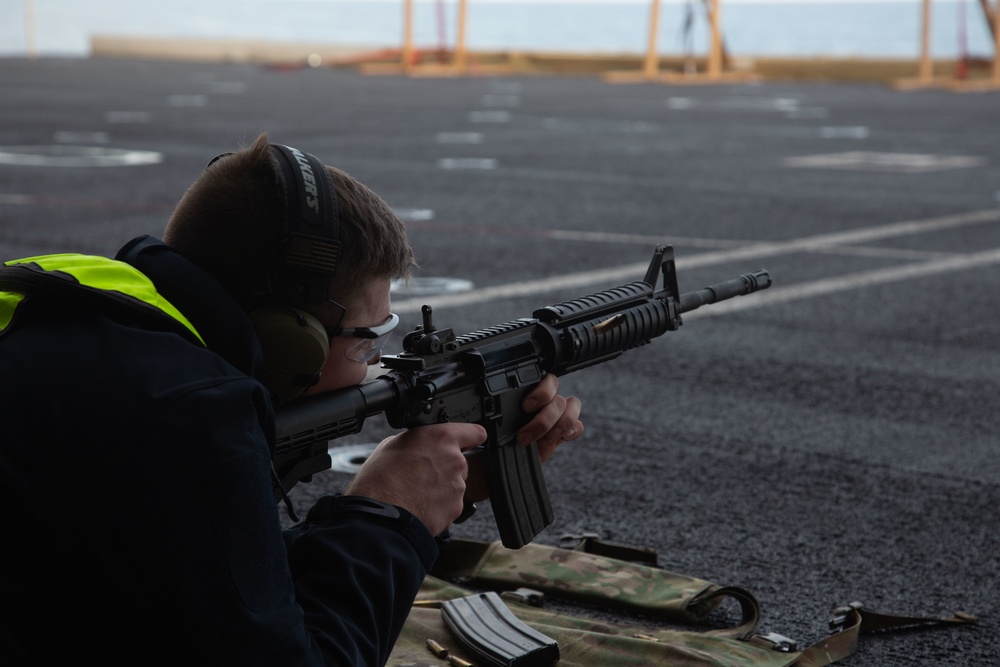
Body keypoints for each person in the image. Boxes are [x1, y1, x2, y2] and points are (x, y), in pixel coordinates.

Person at [0, 133, 583, 665]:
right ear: (289, 339)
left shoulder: (86, 312)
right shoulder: (190, 411)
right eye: (366, 340)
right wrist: (389, 515)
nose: (372, 366)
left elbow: (210, 582)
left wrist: (455, 491)